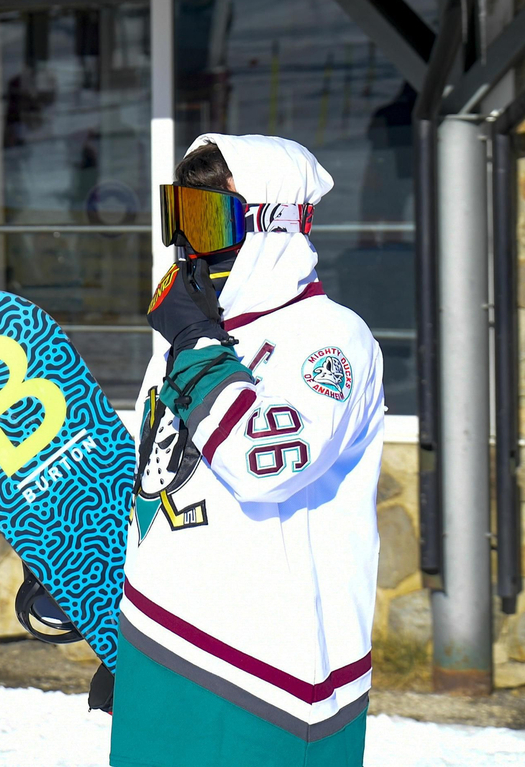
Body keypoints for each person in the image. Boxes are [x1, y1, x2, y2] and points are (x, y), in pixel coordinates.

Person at [111, 134, 385, 767]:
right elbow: (159, 486)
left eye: (211, 220)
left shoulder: (329, 337)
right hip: (164, 647)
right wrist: (112, 615)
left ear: (274, 225)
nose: (189, 244)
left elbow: (269, 465)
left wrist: (199, 344)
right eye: (180, 216)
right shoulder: (187, 340)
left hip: (271, 674)